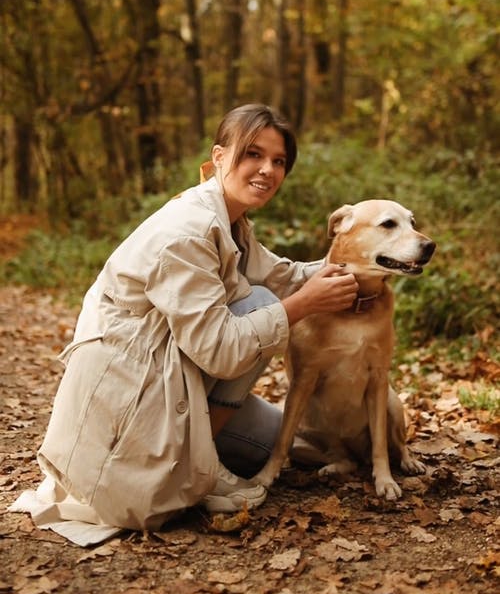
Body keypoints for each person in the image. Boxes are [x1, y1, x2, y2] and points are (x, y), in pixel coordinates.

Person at [11, 103, 358, 546]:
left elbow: (287, 274)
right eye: (252, 154)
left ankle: (208, 453)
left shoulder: (231, 223)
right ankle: (203, 468)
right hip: (137, 393)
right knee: (261, 305)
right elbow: (220, 349)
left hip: (180, 381)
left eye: (278, 161)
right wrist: (301, 307)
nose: (267, 170)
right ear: (218, 157)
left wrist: (363, 254)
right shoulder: (189, 231)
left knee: (288, 440)